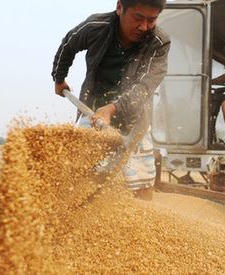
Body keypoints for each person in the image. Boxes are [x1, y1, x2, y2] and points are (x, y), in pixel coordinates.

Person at [52, 0, 170, 200]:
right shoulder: (96, 26)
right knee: (79, 169)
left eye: (152, 20)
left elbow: (145, 86)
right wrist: (59, 78)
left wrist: (112, 108)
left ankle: (142, 220)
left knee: (142, 176)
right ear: (120, 8)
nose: (144, 27)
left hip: (134, 116)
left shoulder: (159, 41)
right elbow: (68, 44)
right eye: (138, 18)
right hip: (92, 107)